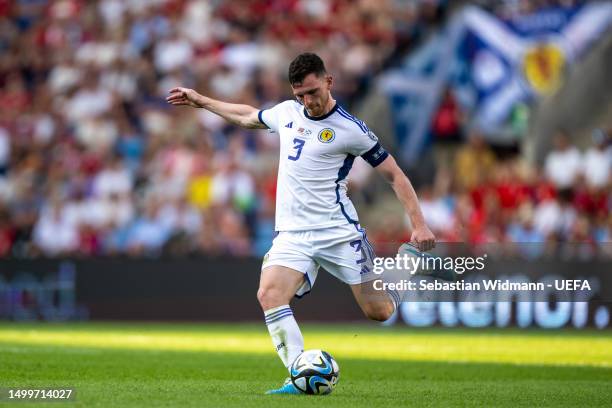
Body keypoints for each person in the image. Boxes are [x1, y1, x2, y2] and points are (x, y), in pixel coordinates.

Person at [167, 53, 435, 394]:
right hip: (293, 234)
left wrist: (419, 224)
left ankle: (410, 262)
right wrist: (201, 101)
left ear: (328, 82)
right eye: (300, 95)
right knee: (269, 294)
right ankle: (297, 376)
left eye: (312, 92)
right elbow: (248, 116)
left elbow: (395, 175)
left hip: (338, 233)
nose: (308, 101)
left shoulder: (351, 130)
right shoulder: (287, 112)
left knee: (378, 311)